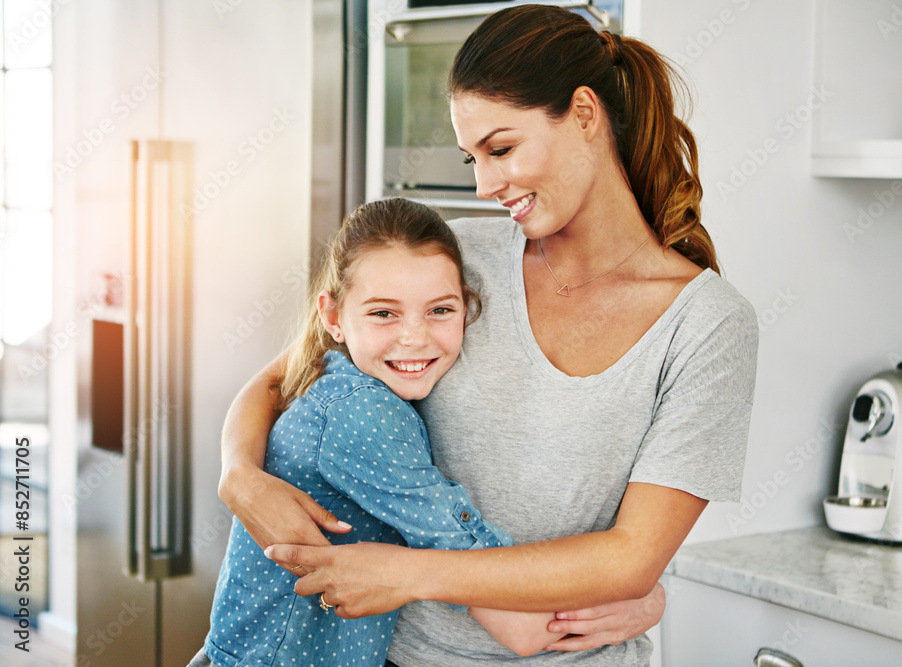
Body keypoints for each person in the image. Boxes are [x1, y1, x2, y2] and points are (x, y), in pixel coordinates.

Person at [221, 4, 759, 665]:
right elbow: (288, 374)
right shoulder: (458, 262)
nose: (482, 184)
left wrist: (409, 572)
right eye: (472, 157)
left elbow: (630, 556)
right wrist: (238, 476)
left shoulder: (706, 326)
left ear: (585, 115)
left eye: (501, 149)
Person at [191, 198, 564, 667]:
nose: (414, 337)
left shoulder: (337, 377)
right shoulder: (365, 414)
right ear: (333, 318)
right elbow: (522, 626)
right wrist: (636, 603)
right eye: (384, 314)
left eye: (440, 311)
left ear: (467, 307)